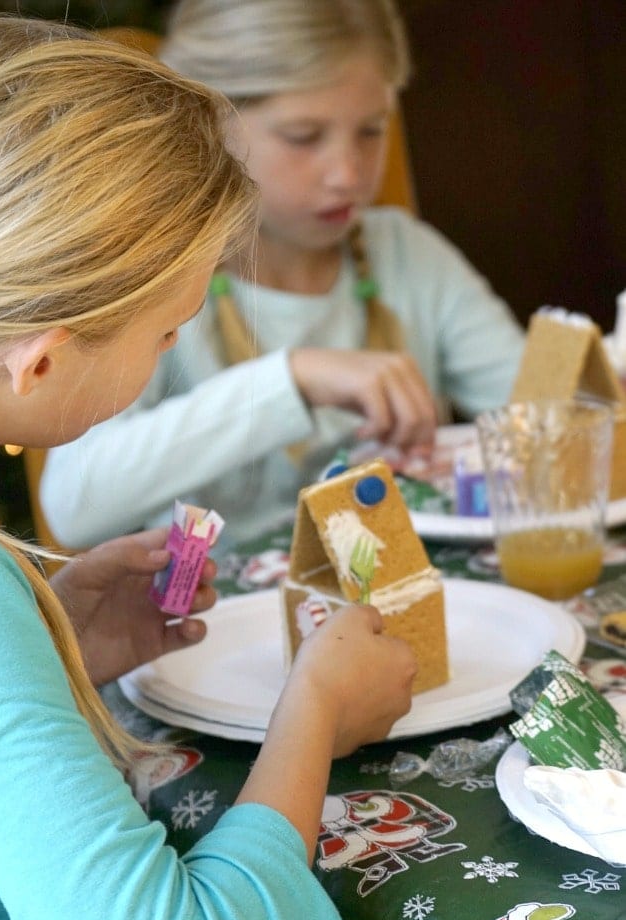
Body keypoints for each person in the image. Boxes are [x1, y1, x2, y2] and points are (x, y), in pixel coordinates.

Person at [0, 15, 418, 920]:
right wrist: (314, 713)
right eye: (167, 331)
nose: (172, 348)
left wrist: (56, 644)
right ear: (44, 360)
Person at [39, 0, 525, 552]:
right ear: (210, 125)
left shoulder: (407, 256)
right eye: (303, 136)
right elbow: (72, 504)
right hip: (214, 625)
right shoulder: (156, 284)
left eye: (370, 131)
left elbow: (538, 413)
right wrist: (291, 380)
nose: (348, 174)